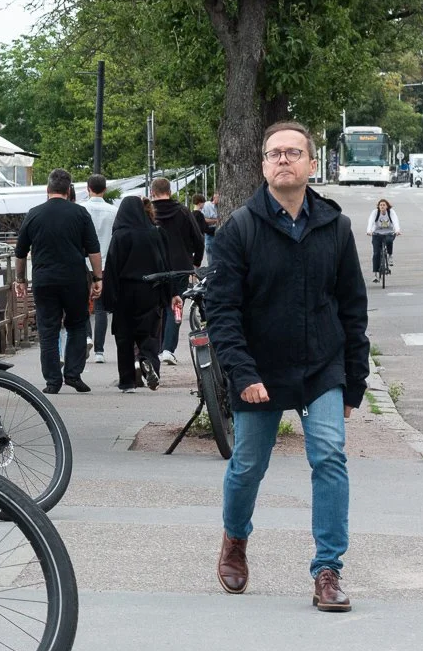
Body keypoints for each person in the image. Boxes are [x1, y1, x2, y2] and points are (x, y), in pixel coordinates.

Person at [203, 121, 369, 612]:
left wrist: (354, 382)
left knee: (329, 457)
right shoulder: (239, 229)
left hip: (322, 367)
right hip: (260, 370)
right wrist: (243, 373)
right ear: (262, 165)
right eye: (274, 153)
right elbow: (222, 311)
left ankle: (328, 570)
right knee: (248, 465)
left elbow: (352, 308)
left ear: (311, 164)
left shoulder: (335, 227)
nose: (283, 160)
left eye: (293, 153)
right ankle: (235, 539)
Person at [15, 169, 103, 394]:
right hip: (74, 280)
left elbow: (20, 252)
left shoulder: (34, 214)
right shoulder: (80, 213)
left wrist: (20, 280)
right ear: (69, 190)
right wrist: (97, 278)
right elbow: (94, 250)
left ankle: (52, 381)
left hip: (44, 280)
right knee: (77, 325)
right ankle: (73, 374)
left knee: (48, 330)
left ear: (48, 189)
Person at [102, 196, 170, 392]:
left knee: (124, 336)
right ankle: (148, 361)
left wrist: (109, 298)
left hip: (124, 291)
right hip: (150, 289)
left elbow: (112, 268)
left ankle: (127, 382)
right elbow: (165, 264)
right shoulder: (155, 233)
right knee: (149, 334)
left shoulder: (120, 236)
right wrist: (168, 293)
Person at [149, 177, 204, 366]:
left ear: (152, 192)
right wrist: (195, 262)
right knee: (176, 306)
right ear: (170, 191)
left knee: (157, 306)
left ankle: (155, 347)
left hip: (155, 266)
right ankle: (168, 349)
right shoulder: (183, 211)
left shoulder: (149, 212)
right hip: (181, 265)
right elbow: (198, 238)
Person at [80, 174, 117, 365]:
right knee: (101, 308)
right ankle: (99, 351)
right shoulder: (114, 211)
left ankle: (87, 336)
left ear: (88, 189)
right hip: (106, 264)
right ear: (105, 189)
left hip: (84, 262)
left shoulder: (81, 210)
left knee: (82, 303)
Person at [366, 198, 400, 274]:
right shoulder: (375, 212)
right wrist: (369, 231)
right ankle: (375, 273)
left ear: (387, 206)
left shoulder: (391, 212)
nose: (382, 206)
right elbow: (370, 221)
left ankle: (390, 255)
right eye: (380, 205)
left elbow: (395, 221)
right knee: (376, 253)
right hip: (377, 234)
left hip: (389, 233)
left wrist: (397, 230)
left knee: (389, 240)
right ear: (378, 206)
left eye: (384, 205)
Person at [202, 192, 220, 261]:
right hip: (210, 232)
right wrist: (215, 220)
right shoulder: (207, 205)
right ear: (214, 197)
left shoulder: (219, 206)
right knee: (210, 251)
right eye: (218, 197)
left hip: (218, 231)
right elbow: (203, 219)